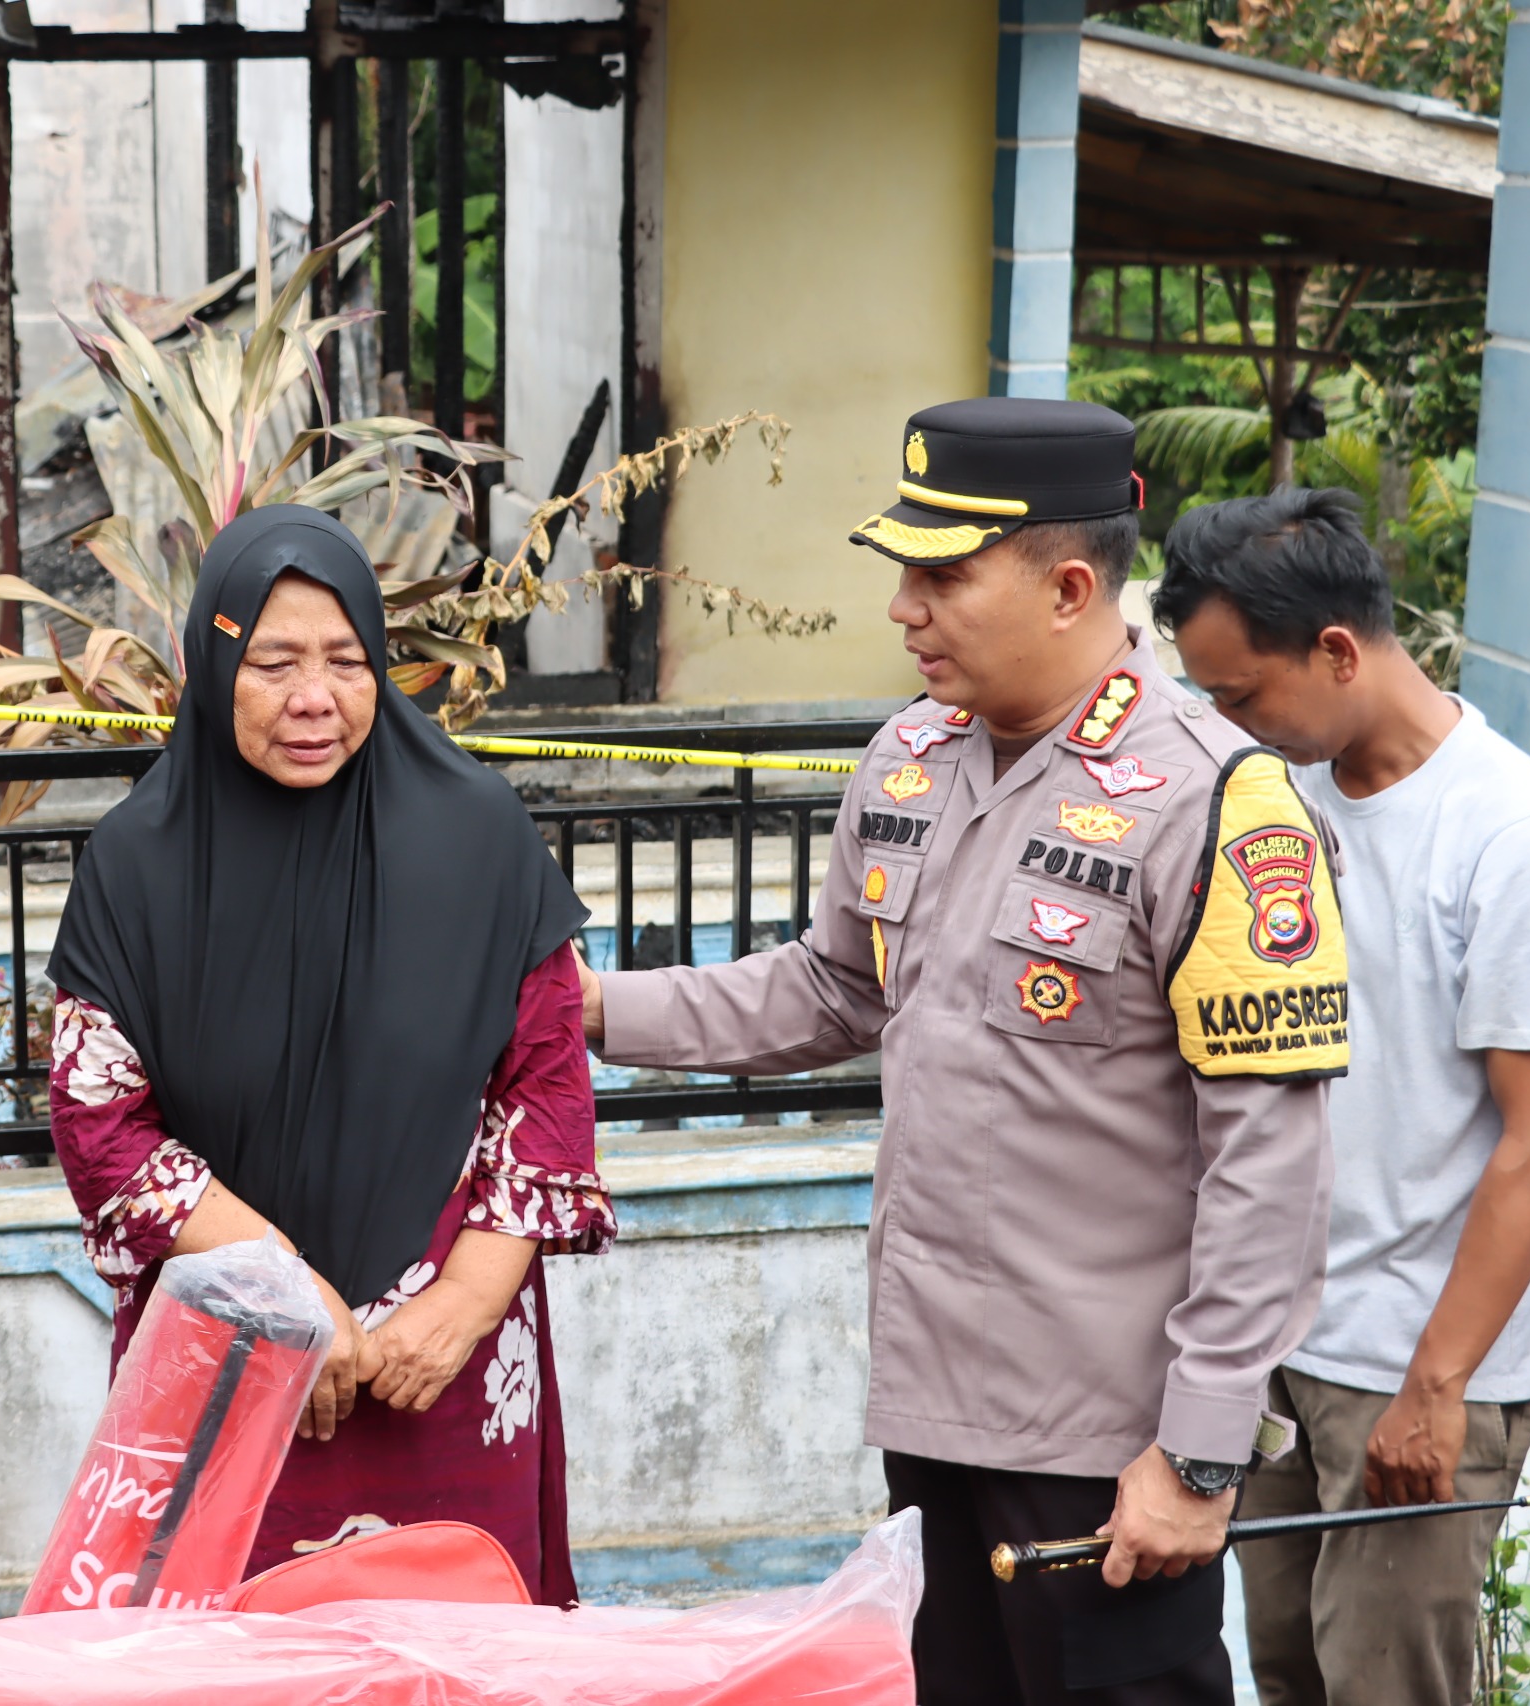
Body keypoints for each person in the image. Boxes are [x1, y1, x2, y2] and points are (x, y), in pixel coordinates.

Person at [575, 398, 1346, 1704]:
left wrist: (1201, 1455)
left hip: (1109, 1452)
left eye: (942, 575)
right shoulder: (911, 762)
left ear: (1068, 585)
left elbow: (1270, 1164)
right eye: (905, 574)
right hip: (934, 1414)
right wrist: (593, 1011)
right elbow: (828, 990)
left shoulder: (1216, 803)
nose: (905, 610)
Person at [45, 504, 613, 1602]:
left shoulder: (479, 833)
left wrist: (456, 1308)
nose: (315, 697)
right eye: (272, 662)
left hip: (441, 1362)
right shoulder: (136, 864)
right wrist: (285, 1298)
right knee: (232, 1652)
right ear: (212, 666)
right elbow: (100, 1124)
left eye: (346, 658)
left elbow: (545, 1080)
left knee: (458, 1643)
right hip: (224, 1343)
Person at [1152, 489, 1530, 1706]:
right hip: (1284, 1350)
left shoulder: (1511, 836)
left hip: (1412, 1365)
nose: (1222, 721)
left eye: (1240, 693)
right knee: (1294, 1674)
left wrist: (1437, 1386)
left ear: (1338, 651)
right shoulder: (1280, 799)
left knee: (1386, 1689)